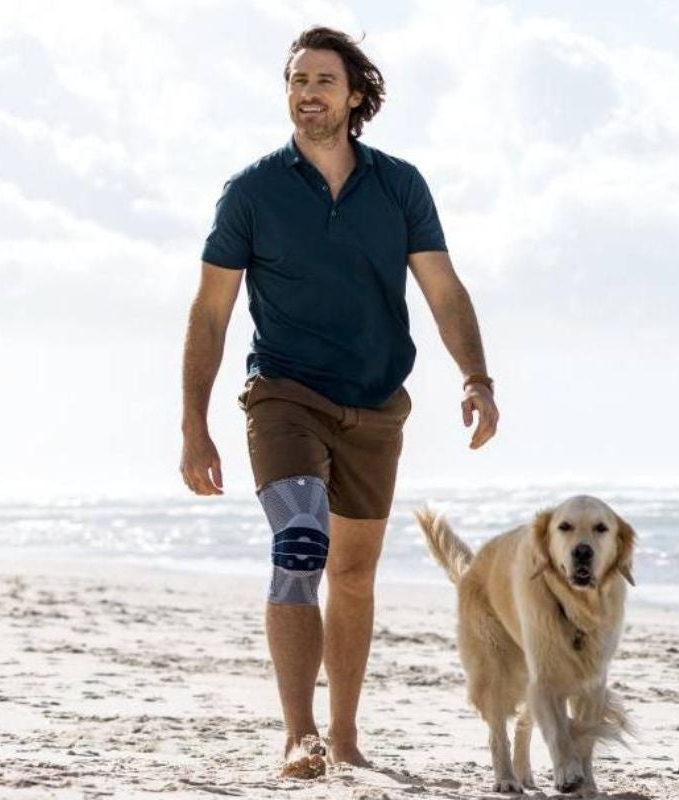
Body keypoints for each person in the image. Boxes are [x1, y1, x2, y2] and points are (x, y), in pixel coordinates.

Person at [177, 25, 500, 778]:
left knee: (354, 573)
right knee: (299, 548)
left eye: (323, 81)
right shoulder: (252, 192)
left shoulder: (399, 186)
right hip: (284, 393)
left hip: (376, 401)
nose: (307, 94)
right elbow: (211, 313)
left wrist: (477, 378)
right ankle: (299, 733)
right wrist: (194, 424)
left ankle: (346, 735)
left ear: (355, 95)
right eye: (296, 80)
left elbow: (443, 289)